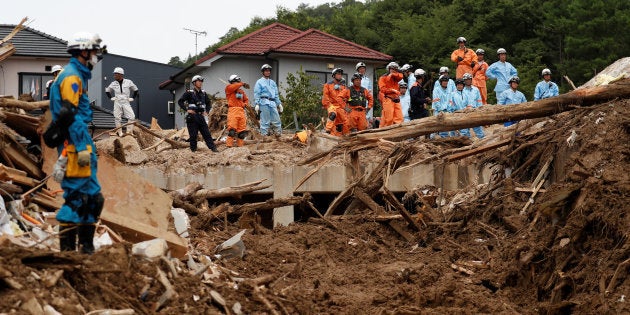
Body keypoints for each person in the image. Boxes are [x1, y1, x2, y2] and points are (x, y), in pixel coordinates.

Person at [48, 32, 105, 254]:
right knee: (76, 198)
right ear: (82, 52)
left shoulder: (77, 75)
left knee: (93, 198)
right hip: (75, 147)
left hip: (81, 145)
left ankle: (86, 248)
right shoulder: (71, 77)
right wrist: (81, 149)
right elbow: (69, 116)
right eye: (92, 52)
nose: (95, 57)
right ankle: (68, 252)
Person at [178, 75, 219, 152]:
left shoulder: (203, 93)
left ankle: (213, 149)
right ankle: (193, 151)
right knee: (193, 136)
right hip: (192, 117)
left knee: (207, 134)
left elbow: (208, 103)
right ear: (194, 83)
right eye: (198, 81)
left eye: (201, 81)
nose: (200, 83)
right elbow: (180, 101)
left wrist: (207, 111)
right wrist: (187, 109)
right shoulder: (189, 93)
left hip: (201, 117)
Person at [105, 67, 138, 137]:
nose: (114, 75)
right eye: (114, 74)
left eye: (116, 74)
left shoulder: (128, 82)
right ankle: (119, 132)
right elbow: (107, 90)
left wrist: (133, 98)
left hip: (126, 102)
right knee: (117, 117)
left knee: (132, 116)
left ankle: (129, 132)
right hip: (117, 102)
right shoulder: (113, 83)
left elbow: (136, 89)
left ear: (121, 74)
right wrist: (110, 97)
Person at [254, 64, 283, 137]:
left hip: (272, 102)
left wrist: (279, 104)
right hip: (263, 102)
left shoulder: (273, 82)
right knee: (265, 120)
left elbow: (276, 94)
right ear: (263, 72)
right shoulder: (259, 82)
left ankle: (278, 134)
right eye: (266, 71)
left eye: (269, 71)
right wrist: (257, 103)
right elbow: (257, 93)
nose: (268, 72)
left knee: (277, 119)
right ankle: (264, 135)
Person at [322, 68, 350, 136]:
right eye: (338, 74)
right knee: (333, 114)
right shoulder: (327, 85)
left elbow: (347, 97)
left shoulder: (343, 87)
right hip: (332, 105)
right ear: (333, 75)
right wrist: (328, 105)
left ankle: (342, 138)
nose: (340, 75)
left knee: (343, 124)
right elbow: (325, 97)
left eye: (340, 74)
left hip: (341, 107)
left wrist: (345, 105)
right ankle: (327, 130)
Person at [225, 74, 250, 147]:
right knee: (232, 131)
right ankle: (229, 146)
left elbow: (246, 99)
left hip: (241, 111)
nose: (238, 83)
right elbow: (233, 87)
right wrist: (242, 84)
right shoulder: (229, 88)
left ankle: (240, 146)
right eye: (237, 81)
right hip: (233, 111)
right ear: (233, 82)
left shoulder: (241, 91)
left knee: (242, 133)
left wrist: (245, 104)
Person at [378, 62, 404, 127]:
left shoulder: (396, 77)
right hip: (388, 99)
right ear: (388, 69)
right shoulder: (383, 77)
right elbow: (382, 89)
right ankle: (386, 134)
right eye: (392, 69)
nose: (393, 70)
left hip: (396, 100)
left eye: (395, 69)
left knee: (399, 118)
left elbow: (401, 76)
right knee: (389, 119)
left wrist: (392, 74)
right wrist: (392, 90)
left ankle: (397, 134)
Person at [462, 73, 485, 139]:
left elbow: (479, 101)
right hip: (465, 112)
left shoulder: (476, 89)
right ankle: (466, 145)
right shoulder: (461, 90)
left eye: (469, 79)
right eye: (466, 80)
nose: (468, 81)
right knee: (465, 131)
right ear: (464, 80)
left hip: (475, 111)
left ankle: (483, 144)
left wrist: (480, 110)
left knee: (479, 130)